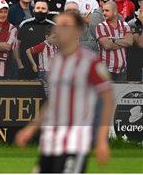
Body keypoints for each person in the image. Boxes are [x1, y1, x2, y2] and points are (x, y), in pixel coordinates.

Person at [15, 11, 114, 173]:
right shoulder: (55, 63)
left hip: (76, 140)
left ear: (78, 31)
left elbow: (108, 99)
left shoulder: (90, 62)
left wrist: (102, 139)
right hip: (50, 140)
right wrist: (30, 128)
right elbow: (52, 103)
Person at [15, 0, 56, 79]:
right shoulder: (25, 24)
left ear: (48, 11)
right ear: (33, 10)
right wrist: (20, 65)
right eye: (38, 8)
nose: (40, 10)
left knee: (46, 91)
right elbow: (16, 46)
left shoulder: (53, 26)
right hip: (26, 68)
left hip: (47, 70)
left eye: (43, 8)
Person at [96, 1, 133, 82]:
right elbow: (107, 45)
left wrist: (113, 40)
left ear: (115, 12)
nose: (104, 13)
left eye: (107, 10)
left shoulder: (125, 25)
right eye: (103, 11)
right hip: (106, 71)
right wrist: (123, 42)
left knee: (120, 94)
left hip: (122, 71)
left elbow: (130, 42)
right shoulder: (100, 26)